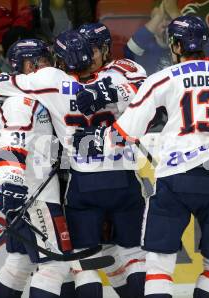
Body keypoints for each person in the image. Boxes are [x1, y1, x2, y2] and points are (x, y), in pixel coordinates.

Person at [73, 15, 209, 298]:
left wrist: (95, 141)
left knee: (159, 264)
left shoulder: (162, 78)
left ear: (175, 45)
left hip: (174, 178)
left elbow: (124, 133)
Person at [0, 30, 146, 297]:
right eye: (42, 59)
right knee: (124, 254)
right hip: (115, 177)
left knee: (75, 263)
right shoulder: (117, 76)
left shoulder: (48, 81)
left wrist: (9, 180)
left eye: (51, 58)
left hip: (77, 183)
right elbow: (148, 94)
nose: (47, 63)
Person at [0, 38, 73, 298]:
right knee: (56, 266)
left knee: (19, 262)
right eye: (43, 60)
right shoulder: (20, 102)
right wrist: (11, 181)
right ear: (27, 65)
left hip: (34, 193)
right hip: (36, 198)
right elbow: (12, 143)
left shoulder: (37, 98)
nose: (49, 66)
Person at [77, 22, 149, 297]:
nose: (87, 55)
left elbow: (146, 95)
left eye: (93, 49)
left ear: (105, 49)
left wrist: (108, 93)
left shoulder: (123, 69)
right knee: (91, 255)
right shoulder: (63, 75)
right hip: (79, 176)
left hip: (122, 171)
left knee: (131, 250)